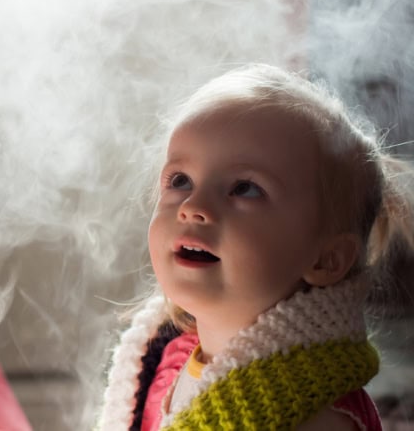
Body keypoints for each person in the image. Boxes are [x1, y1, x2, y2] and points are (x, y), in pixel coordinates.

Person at [98, 64, 414, 430]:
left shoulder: (313, 413)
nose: (193, 208)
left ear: (326, 259)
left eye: (245, 188)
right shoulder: (164, 361)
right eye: (181, 180)